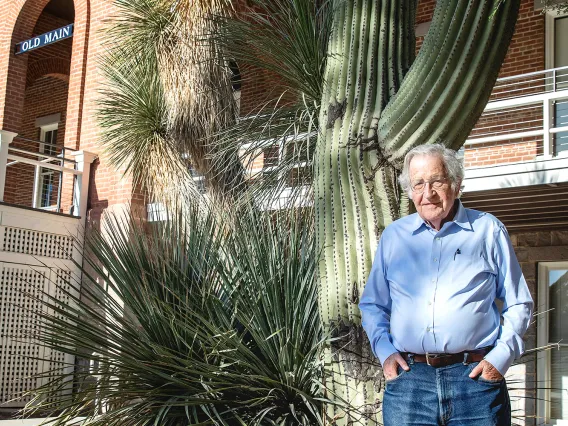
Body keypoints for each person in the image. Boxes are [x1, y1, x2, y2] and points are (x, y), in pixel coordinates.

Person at [359, 144, 533, 426]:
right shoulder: (394, 236)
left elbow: (519, 302)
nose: (428, 193)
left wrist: (499, 359)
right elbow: (373, 304)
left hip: (475, 380)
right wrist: (385, 353)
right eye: (418, 184)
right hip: (410, 383)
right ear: (410, 190)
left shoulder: (488, 230)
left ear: (456, 183)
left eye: (437, 181)